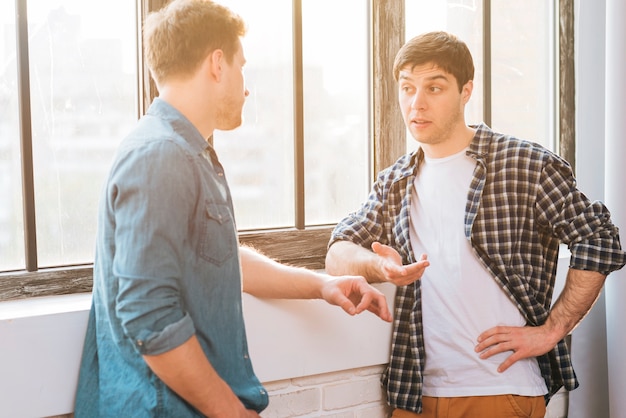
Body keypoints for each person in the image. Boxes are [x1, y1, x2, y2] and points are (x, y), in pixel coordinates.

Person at [73, 1, 392, 417]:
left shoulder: (187, 153)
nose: (247, 86)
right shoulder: (161, 156)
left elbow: (217, 261)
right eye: (243, 67)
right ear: (217, 63)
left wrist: (322, 286)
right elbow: (150, 318)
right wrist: (231, 413)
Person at [325, 31, 626, 418]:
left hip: (500, 388)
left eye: (434, 87)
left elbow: (599, 239)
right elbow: (338, 251)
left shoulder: (525, 164)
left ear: (466, 91)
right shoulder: (395, 181)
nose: (417, 103)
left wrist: (551, 331)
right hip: (414, 394)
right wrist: (378, 266)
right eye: (407, 88)